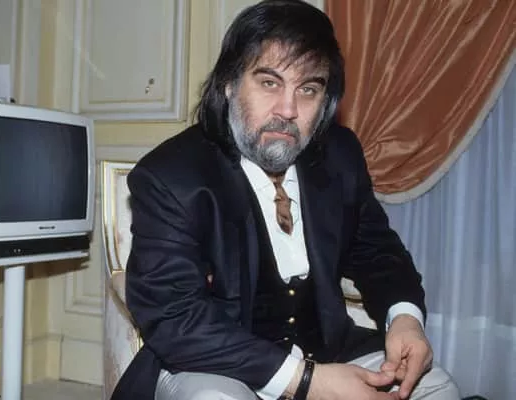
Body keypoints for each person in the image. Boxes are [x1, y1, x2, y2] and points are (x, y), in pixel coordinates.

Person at [110, 1, 461, 399]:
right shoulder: (171, 176)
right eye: (269, 83)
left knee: (437, 389)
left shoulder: (339, 156)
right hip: (213, 362)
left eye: (308, 89)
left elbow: (378, 253)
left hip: (328, 352)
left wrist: (405, 319)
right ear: (229, 84)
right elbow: (176, 318)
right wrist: (308, 382)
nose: (288, 110)